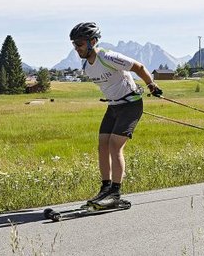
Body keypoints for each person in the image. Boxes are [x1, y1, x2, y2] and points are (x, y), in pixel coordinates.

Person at [69, 22, 163, 209]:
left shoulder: (107, 56)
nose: (76, 48)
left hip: (130, 105)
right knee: (102, 144)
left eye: (79, 43)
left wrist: (152, 85)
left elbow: (138, 67)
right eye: (74, 44)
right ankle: (106, 189)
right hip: (113, 107)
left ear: (92, 41)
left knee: (114, 145)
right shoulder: (87, 66)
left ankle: (116, 193)